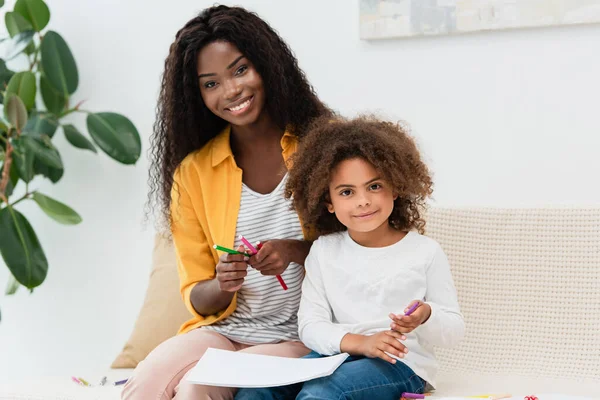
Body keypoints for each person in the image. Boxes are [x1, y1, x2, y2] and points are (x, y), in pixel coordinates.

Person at [123, 5, 332, 399]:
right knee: (146, 381)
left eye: (240, 70)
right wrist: (222, 282)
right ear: (196, 94)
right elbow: (198, 299)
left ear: (267, 65)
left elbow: (361, 249)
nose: (231, 91)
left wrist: (293, 250)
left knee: (195, 388)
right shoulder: (193, 173)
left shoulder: (321, 146)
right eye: (210, 83)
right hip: (223, 330)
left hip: (301, 335)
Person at [236, 116, 465, 400]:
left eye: (374, 186)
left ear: (395, 187)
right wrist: (359, 343)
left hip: (400, 363)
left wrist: (425, 315)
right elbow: (310, 325)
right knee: (256, 390)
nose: (363, 201)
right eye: (347, 192)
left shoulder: (424, 251)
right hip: (336, 355)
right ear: (329, 202)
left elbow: (453, 330)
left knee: (323, 392)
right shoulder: (323, 251)